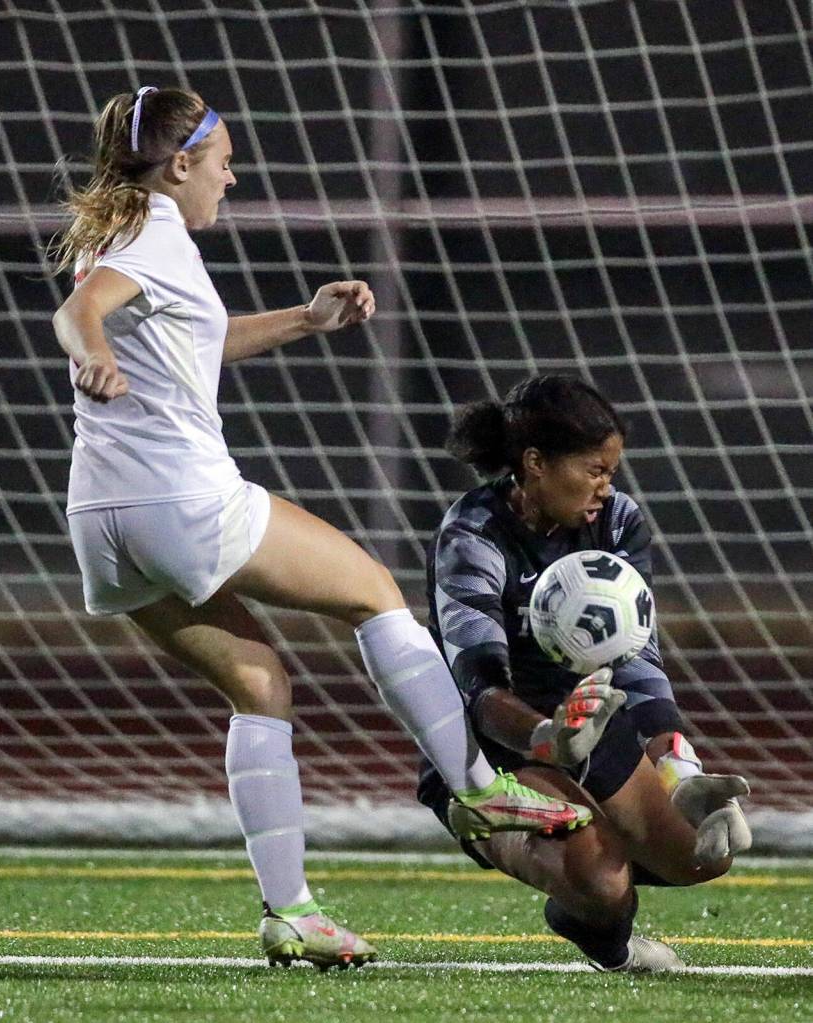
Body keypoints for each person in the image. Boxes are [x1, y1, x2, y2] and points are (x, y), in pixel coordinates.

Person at [50, 87, 592, 971]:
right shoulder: (150, 228)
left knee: (260, 684)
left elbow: (192, 341)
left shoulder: (129, 230)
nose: (233, 174)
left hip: (101, 518)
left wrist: (307, 319)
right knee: (375, 593)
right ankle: (480, 789)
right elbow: (79, 314)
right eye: (223, 160)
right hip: (180, 501)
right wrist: (95, 353)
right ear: (180, 162)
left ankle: (292, 912)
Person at [418, 374, 752, 972]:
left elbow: (637, 660)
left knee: (703, 853)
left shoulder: (617, 521)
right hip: (485, 746)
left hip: (587, 723)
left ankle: (592, 862)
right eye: (594, 470)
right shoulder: (473, 533)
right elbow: (479, 686)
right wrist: (545, 738)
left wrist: (680, 769)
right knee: (602, 882)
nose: (607, 486)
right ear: (536, 463)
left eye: (611, 472)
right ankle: (601, 929)